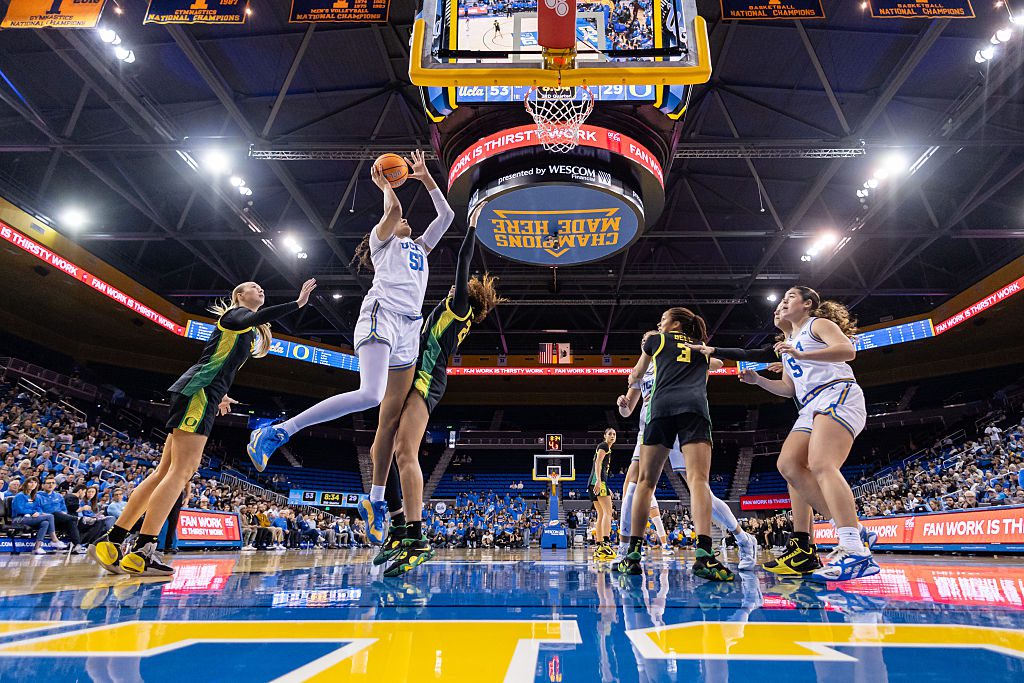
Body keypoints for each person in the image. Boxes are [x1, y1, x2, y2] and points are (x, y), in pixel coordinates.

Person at [247, 151, 455, 528]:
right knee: (371, 394)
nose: (406, 220)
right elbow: (392, 215)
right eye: (401, 221)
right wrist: (385, 185)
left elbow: (447, 216)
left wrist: (425, 177)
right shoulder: (383, 243)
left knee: (389, 420)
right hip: (382, 316)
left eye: (407, 220)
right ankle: (278, 431)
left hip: (410, 329)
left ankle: (375, 500)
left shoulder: (421, 249)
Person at [88, 278, 314, 577]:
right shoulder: (235, 316)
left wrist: (221, 394)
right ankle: (142, 551)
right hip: (199, 392)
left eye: (262, 288)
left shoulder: (242, 329)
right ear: (239, 295)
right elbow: (255, 320)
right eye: (254, 287)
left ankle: (113, 542)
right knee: (181, 472)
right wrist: (296, 304)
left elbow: (218, 364)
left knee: (164, 472)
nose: (260, 290)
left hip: (202, 391)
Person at [378, 207, 506, 577]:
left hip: (427, 380)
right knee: (383, 450)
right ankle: (400, 528)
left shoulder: (459, 306)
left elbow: (463, 261)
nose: (454, 284)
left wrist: (471, 225)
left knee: (404, 451)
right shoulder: (453, 311)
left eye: (459, 284)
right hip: (416, 374)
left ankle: (416, 537)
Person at [738, 286, 879, 582]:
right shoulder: (788, 342)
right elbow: (788, 389)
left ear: (807, 304)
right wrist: (758, 380)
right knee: (788, 465)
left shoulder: (817, 324)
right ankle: (854, 530)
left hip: (837, 391)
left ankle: (856, 550)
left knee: (821, 464)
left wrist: (801, 353)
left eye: (789, 298)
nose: (783, 303)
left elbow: (848, 351)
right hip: (809, 404)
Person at [614, 335, 758, 568]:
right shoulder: (641, 370)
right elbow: (627, 411)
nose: (646, 340)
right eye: (643, 339)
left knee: (701, 491)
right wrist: (622, 404)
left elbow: (718, 364)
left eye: (651, 337)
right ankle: (624, 549)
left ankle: (743, 537)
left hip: (680, 423)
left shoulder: (679, 358)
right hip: (651, 427)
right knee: (631, 487)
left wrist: (697, 358)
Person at [11, 476, 58, 555]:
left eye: (35, 482)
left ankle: (37, 547)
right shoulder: (20, 496)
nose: (33, 484)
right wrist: (32, 512)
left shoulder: (35, 496)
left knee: (45, 523)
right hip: (19, 518)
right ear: (26, 484)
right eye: (31, 482)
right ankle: (54, 539)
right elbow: (19, 510)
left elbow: (39, 508)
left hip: (31, 519)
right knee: (50, 516)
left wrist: (38, 513)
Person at [590, 428, 617, 561]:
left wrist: (606, 486)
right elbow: (598, 463)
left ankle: (599, 544)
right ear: (605, 436)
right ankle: (606, 542)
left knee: (601, 514)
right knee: (608, 512)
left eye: (614, 434)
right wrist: (599, 482)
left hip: (594, 483)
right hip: (597, 482)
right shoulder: (604, 446)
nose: (612, 436)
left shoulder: (607, 449)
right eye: (610, 434)